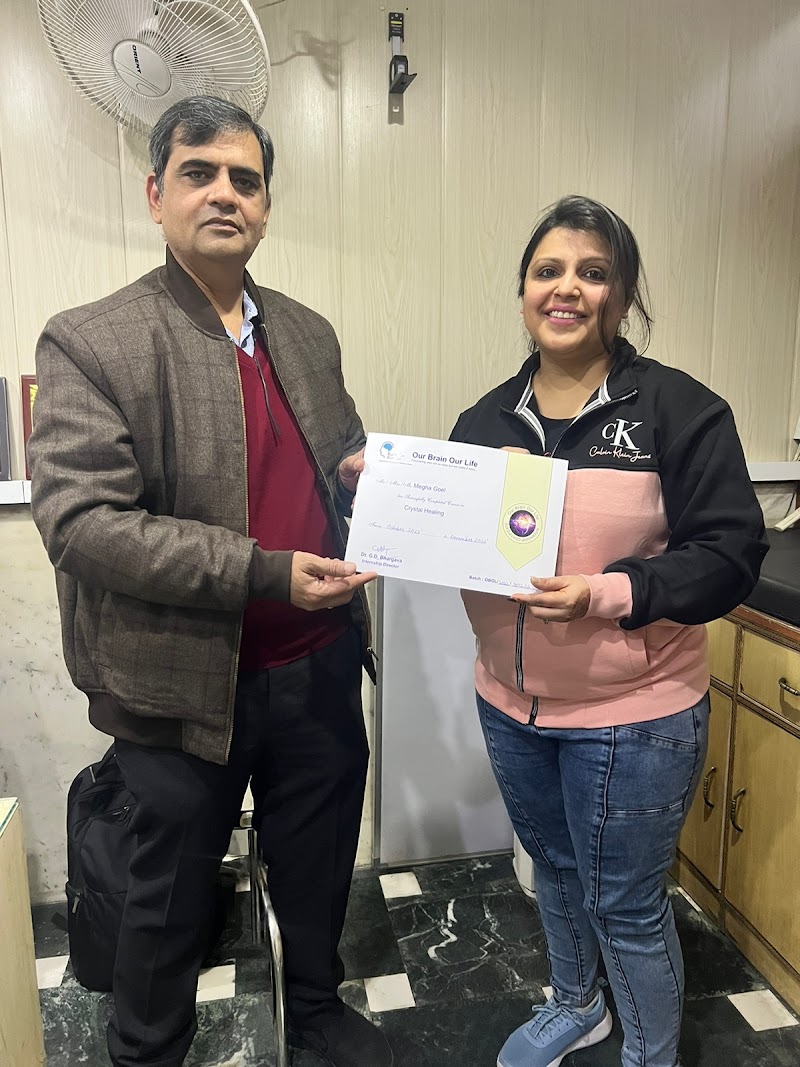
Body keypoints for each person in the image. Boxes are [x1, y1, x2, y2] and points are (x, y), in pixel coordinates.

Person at [28, 95, 392, 1067]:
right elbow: (82, 524)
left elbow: (337, 456)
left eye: (245, 179)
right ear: (156, 195)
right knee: (165, 902)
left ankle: (314, 1014)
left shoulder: (307, 333)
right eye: (199, 173)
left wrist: (367, 481)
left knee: (317, 867)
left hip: (317, 667)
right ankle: (148, 1049)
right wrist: (265, 572)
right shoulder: (92, 340)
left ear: (265, 205)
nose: (224, 193)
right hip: (179, 685)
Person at [449, 195, 767, 1067]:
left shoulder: (680, 410)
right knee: (553, 872)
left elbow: (730, 554)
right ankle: (577, 1004)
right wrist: (381, 494)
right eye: (547, 270)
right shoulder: (483, 422)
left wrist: (612, 591)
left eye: (592, 273)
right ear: (523, 290)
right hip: (509, 705)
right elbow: (455, 539)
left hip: (636, 713)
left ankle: (650, 1053)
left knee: (624, 902)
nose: (567, 288)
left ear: (621, 297)